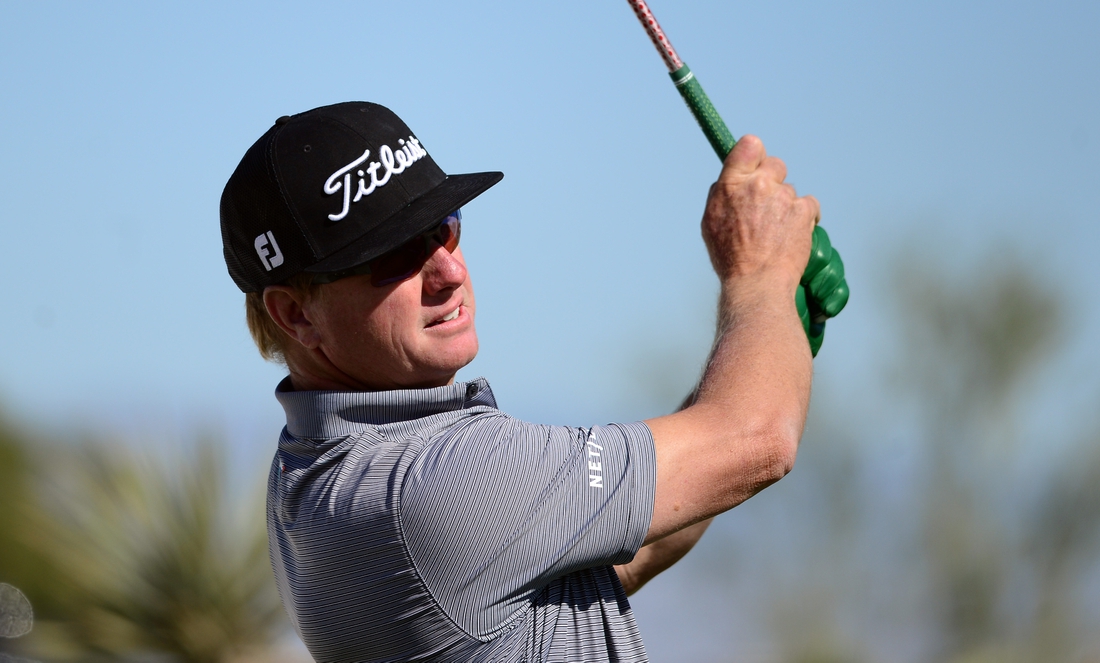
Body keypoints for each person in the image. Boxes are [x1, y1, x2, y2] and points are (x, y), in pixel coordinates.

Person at [220, 101, 823, 662]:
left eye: (444, 228)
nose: (449, 272)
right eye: (394, 256)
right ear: (296, 314)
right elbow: (753, 439)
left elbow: (613, 548)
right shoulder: (440, 480)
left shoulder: (306, 475)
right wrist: (762, 272)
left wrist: (773, 335)